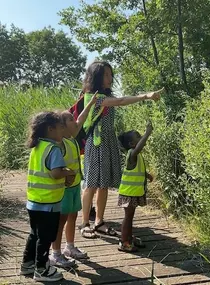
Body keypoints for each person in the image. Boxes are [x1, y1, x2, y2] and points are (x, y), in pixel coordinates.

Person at [79, 61, 163, 238]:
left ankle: (99, 222)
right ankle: (85, 223)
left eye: (111, 74)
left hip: (108, 143)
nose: (110, 78)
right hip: (96, 144)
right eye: (106, 75)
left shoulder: (103, 96)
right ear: (96, 77)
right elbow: (122, 101)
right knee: (91, 185)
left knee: (104, 186)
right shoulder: (93, 97)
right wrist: (145, 96)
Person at [20, 111, 75, 282]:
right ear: (51, 129)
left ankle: (27, 264)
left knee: (34, 234)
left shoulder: (37, 147)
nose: (62, 132)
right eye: (60, 128)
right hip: (48, 203)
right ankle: (42, 270)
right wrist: (69, 172)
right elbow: (55, 173)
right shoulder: (54, 149)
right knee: (46, 237)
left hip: (34, 201)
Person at [50, 93, 98, 268]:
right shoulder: (59, 143)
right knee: (60, 220)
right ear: (62, 126)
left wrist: (91, 103)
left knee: (72, 216)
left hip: (75, 186)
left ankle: (69, 247)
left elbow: (82, 118)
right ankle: (55, 254)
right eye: (71, 119)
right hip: (62, 189)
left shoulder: (71, 138)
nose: (75, 120)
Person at [117, 122, 153, 252]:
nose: (142, 137)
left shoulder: (136, 156)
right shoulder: (132, 153)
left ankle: (129, 238)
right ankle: (124, 242)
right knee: (128, 217)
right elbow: (140, 146)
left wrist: (147, 175)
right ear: (132, 144)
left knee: (130, 217)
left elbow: (137, 170)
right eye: (139, 136)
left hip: (134, 192)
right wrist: (148, 133)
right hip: (129, 193)